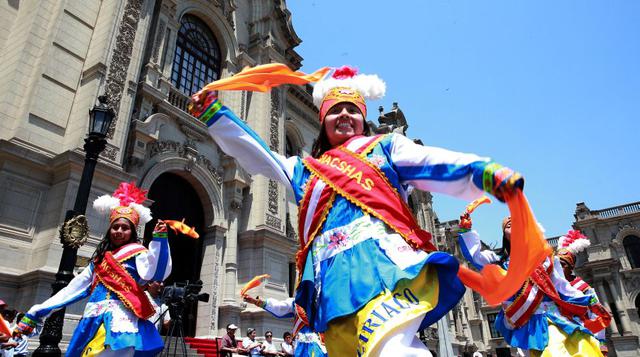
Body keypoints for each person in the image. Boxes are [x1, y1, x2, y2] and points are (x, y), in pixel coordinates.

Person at [189, 65, 524, 356]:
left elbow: (430, 162)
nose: (344, 115)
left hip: (383, 269)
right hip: (331, 285)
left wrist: (484, 172)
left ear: (363, 118)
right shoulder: (304, 169)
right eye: (335, 110)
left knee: (395, 349)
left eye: (352, 108)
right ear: (323, 122)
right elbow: (257, 152)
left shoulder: (386, 147)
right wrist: (214, 114)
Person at [14, 182, 172, 356]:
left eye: (125, 228)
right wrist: (38, 311)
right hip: (92, 320)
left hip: (121, 322)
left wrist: (159, 240)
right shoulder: (98, 261)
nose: (119, 231)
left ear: (132, 231)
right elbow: (73, 290)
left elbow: (157, 272)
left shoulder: (138, 253)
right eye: (115, 227)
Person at [458, 215, 603, 356]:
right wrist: (466, 230)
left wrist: (587, 301)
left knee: (579, 346)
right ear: (504, 235)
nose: (511, 222)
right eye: (508, 225)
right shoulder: (499, 260)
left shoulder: (545, 258)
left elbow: (562, 285)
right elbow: (475, 256)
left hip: (554, 316)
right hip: (527, 320)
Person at [556, 230, 612, 355]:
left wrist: (600, 342)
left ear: (571, 268)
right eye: (557, 265)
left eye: (563, 264)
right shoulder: (552, 287)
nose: (559, 268)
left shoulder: (584, 289)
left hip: (582, 335)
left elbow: (597, 314)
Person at [243, 295, 326, 357]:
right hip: (301, 347)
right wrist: (257, 302)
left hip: (323, 344)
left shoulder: (325, 299)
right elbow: (279, 307)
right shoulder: (296, 302)